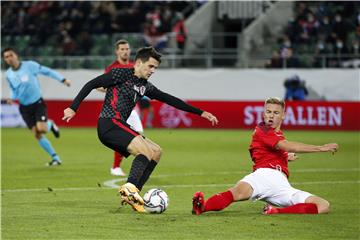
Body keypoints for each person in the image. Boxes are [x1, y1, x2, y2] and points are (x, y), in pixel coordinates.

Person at [63, 46, 218, 213]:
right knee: (144, 151)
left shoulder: (145, 86)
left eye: (155, 68)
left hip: (119, 125)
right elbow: (92, 84)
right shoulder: (120, 74)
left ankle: (133, 194)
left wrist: (201, 112)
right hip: (109, 123)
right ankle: (129, 189)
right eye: (150, 66)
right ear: (138, 63)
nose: (153, 70)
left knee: (156, 151)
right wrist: (73, 108)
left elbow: (169, 99)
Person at [192, 97, 338, 215]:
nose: (271, 116)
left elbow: (272, 150)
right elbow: (285, 145)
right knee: (233, 193)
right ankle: (202, 207)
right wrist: (320, 148)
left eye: (275, 113)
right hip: (263, 176)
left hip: (278, 183)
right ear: (263, 113)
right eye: (268, 112)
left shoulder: (276, 135)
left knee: (323, 205)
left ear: (283, 115)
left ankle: (275, 211)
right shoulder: (263, 130)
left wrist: (285, 157)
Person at [2, 47, 71, 166]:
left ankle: (50, 124)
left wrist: (62, 79)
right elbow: (14, 90)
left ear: (16, 55)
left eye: (10, 55)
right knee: (37, 134)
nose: (9, 58)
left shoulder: (29, 66)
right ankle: (56, 158)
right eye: (6, 57)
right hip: (24, 107)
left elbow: (47, 71)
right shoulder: (8, 74)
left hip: (37, 103)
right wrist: (11, 98)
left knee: (42, 129)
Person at [98, 39, 144, 177]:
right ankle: (116, 167)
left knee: (139, 134)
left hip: (131, 109)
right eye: (122, 49)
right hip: (117, 108)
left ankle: (127, 166)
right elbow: (100, 85)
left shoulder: (133, 66)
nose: (125, 51)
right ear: (117, 51)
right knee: (129, 138)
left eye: (127, 49)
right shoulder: (112, 68)